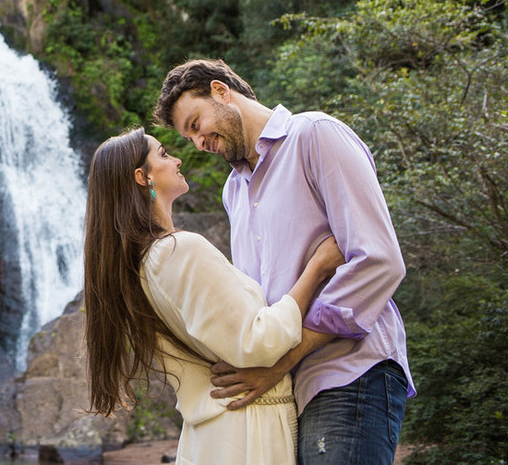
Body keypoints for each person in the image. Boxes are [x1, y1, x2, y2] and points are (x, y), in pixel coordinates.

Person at [154, 59, 414, 465]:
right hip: (285, 390)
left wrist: (284, 361)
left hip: (349, 371)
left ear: (221, 92)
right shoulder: (232, 191)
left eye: (195, 123)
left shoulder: (315, 135)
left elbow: (378, 260)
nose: (197, 143)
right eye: (188, 137)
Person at [84, 128, 345, 464]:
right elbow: (258, 342)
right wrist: (318, 268)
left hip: (216, 434)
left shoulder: (142, 266)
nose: (177, 159)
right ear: (142, 176)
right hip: (246, 433)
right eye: (163, 154)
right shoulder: (179, 251)